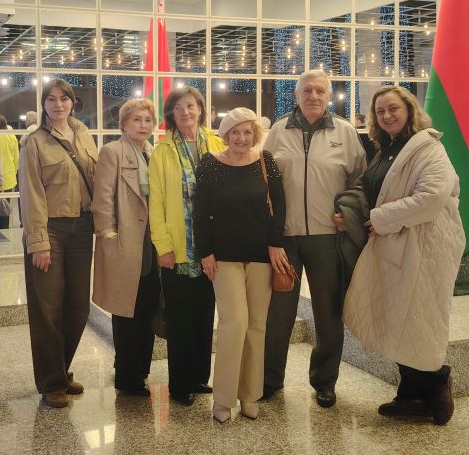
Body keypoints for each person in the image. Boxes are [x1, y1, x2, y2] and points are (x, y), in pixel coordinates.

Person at [339, 86, 465, 426]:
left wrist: (381, 218)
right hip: (397, 243)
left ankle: (437, 385)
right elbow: (370, 188)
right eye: (380, 111)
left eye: (393, 108)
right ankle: (410, 396)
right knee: (400, 318)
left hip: (423, 246)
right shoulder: (387, 149)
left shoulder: (428, 148)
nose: (386, 115)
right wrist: (350, 213)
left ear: (410, 110)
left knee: (418, 318)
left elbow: (432, 197)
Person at [262, 70, 366, 407]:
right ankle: (270, 379)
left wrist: (348, 212)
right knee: (278, 314)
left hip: (327, 238)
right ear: (296, 95)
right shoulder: (278, 131)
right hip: (285, 240)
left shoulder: (345, 132)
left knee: (328, 313)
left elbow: (360, 182)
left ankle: (324, 381)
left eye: (320, 91)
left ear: (329, 96)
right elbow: (263, 181)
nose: (313, 96)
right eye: (307, 90)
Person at [193, 108, 286, 423]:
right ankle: (223, 399)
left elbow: (279, 206)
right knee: (235, 322)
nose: (242, 138)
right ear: (225, 135)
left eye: (247, 132)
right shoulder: (210, 163)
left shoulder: (265, 161)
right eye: (235, 132)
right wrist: (205, 251)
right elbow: (200, 210)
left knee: (256, 326)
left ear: (255, 134)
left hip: (261, 256)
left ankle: (250, 394)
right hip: (224, 256)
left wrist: (276, 242)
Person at [18, 79, 98, 408]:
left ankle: (62, 369)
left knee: (78, 306)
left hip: (83, 227)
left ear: (72, 102)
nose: (58, 104)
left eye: (64, 98)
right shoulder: (33, 141)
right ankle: (52, 382)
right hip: (49, 228)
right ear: (43, 105)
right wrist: (38, 242)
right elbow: (31, 194)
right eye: (51, 99)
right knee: (48, 308)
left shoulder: (84, 135)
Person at [149, 86, 225, 406]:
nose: (185, 112)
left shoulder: (217, 143)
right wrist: (163, 246)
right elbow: (156, 203)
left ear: (201, 109)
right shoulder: (162, 150)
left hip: (212, 248)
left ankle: (198, 377)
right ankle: (180, 384)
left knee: (204, 314)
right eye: (178, 107)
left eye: (191, 106)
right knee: (180, 318)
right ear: (171, 114)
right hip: (178, 248)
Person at [92, 98, 158, 396]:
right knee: (126, 310)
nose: (143, 125)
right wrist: (108, 236)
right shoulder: (112, 151)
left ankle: (141, 370)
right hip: (125, 241)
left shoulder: (152, 152)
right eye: (136, 120)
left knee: (147, 306)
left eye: (148, 120)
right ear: (123, 124)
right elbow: (103, 199)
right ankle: (126, 375)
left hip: (151, 241)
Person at [0, 114, 20, 217]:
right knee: (5, 205)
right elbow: (17, 158)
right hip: (9, 176)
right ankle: (4, 224)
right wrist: (15, 171)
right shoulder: (11, 136)